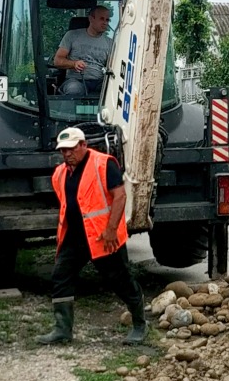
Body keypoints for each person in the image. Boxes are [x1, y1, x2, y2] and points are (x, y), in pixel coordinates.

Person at [36, 126, 148, 346]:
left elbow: (120, 196)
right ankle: (62, 330)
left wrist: (110, 229)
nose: (67, 154)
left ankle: (140, 325)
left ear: (83, 145)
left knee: (120, 280)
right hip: (74, 238)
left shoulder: (104, 163)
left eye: (71, 149)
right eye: (63, 150)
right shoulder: (60, 173)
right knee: (61, 277)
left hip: (103, 238)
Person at [53, 5, 112, 95]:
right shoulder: (72, 35)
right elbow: (57, 61)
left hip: (99, 82)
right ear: (91, 19)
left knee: (111, 92)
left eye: (107, 20)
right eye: (101, 19)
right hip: (75, 80)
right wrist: (74, 64)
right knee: (74, 89)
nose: (105, 23)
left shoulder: (110, 43)